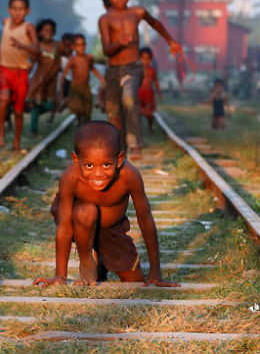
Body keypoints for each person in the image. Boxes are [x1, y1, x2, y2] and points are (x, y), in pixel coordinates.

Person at [33, 121, 175, 287]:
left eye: (106, 164)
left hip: (112, 230)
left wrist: (155, 271)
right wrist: (60, 275)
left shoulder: (129, 176)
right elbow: (64, 227)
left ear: (119, 159)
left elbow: (145, 220)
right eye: (89, 165)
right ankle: (87, 261)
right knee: (86, 211)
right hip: (79, 223)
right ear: (76, 160)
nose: (98, 173)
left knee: (135, 282)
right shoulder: (70, 178)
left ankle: (100, 260)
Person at [98, 0, 182, 160]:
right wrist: (119, 42)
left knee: (129, 99)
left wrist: (170, 41)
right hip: (113, 71)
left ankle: (135, 142)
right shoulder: (105, 19)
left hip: (133, 68)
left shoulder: (137, 13)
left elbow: (155, 23)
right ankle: (118, 151)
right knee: (114, 114)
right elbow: (106, 50)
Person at [0, 0, 38, 151]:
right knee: (4, 99)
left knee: (19, 111)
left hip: (20, 73)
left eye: (21, 9)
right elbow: (3, 41)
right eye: (14, 9)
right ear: (9, 10)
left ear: (28, 11)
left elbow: (36, 50)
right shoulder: (5, 22)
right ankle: (1, 134)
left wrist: (22, 46)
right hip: (5, 69)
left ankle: (16, 141)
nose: (17, 13)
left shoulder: (29, 28)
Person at [60, 33, 104, 125]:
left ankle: (85, 126)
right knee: (78, 108)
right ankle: (79, 121)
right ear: (74, 47)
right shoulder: (73, 60)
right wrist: (61, 93)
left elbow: (93, 69)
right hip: (75, 87)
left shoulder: (88, 58)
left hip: (86, 87)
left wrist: (102, 79)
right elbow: (63, 75)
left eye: (83, 44)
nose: (82, 47)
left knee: (87, 108)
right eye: (79, 45)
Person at [27, 18, 60, 135]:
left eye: (51, 30)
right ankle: (33, 129)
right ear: (40, 32)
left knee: (49, 104)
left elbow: (60, 61)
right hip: (39, 79)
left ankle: (34, 113)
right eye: (46, 30)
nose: (49, 33)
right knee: (35, 103)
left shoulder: (57, 45)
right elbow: (32, 62)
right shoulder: (37, 46)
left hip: (52, 79)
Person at [137, 47, 162, 133]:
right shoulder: (137, 70)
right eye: (143, 58)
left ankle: (150, 126)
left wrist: (159, 94)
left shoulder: (152, 71)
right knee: (138, 112)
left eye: (148, 59)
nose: (145, 61)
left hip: (149, 95)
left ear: (151, 59)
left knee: (150, 115)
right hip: (139, 94)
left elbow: (156, 82)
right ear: (139, 58)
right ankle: (138, 129)